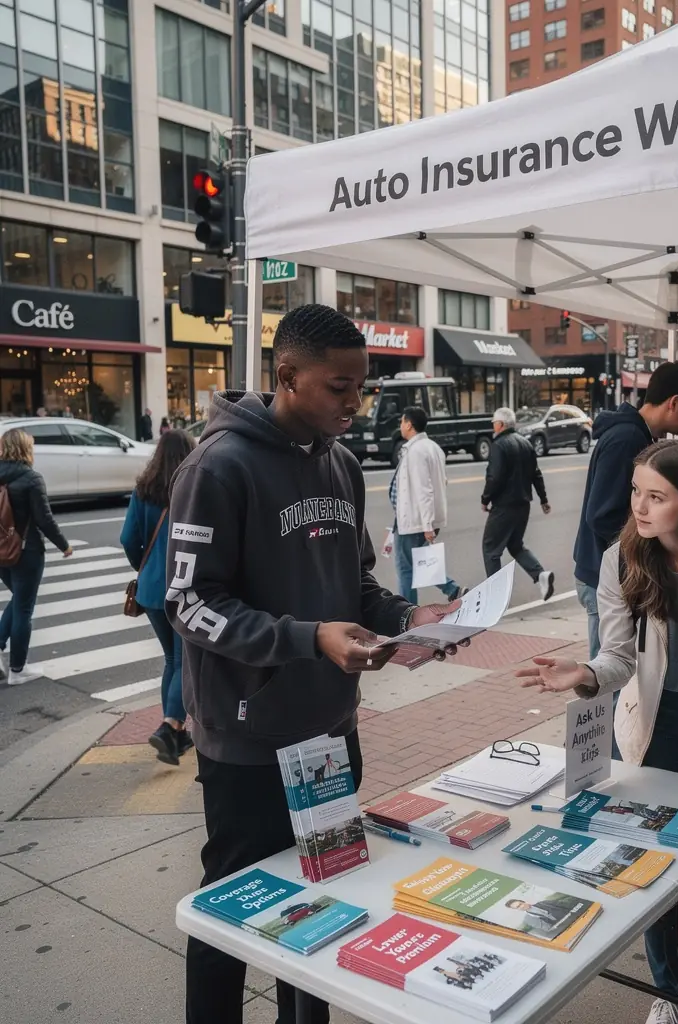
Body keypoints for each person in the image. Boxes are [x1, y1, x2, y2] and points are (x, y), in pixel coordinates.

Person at [168, 303, 461, 1024]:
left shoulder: (341, 463)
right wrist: (309, 638)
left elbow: (355, 579)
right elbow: (189, 603)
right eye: (340, 387)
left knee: (322, 897)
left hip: (330, 732)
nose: (355, 403)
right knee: (233, 910)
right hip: (248, 740)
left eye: (360, 387)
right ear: (287, 375)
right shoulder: (219, 465)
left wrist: (404, 617)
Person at [519, 439, 678, 1024]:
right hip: (650, 723)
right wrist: (583, 673)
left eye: (656, 496)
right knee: (649, 862)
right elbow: (618, 659)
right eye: (636, 491)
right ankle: (669, 989)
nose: (639, 506)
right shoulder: (623, 558)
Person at [574, 361, 678, 660]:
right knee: (615, 672)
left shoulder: (637, 436)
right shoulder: (628, 439)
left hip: (615, 572)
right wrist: (646, 549)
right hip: (606, 574)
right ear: (674, 403)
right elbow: (602, 515)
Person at [121, 429, 196, 765]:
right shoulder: (193, 485)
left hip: (151, 589)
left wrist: (145, 566)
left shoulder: (144, 488)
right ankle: (170, 726)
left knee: (171, 660)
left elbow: (127, 538)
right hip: (187, 584)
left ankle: (177, 734)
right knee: (185, 663)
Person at [0, 429, 73, 684]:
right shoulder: (31, 478)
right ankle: (18, 670)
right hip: (25, 551)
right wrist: (64, 545)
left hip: (0, 550)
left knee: (18, 599)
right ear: (25, 448)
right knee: (23, 607)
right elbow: (44, 519)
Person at [391, 405, 462, 604]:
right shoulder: (433, 448)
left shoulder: (416, 451)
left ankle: (407, 613)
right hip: (420, 519)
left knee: (406, 569)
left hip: (414, 521)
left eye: (402, 422)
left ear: (410, 425)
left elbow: (424, 489)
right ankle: (453, 589)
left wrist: (427, 524)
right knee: (422, 564)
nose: (401, 426)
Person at [480, 407, 554, 599]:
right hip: (523, 505)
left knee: (490, 550)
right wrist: (543, 499)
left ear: (501, 424)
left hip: (504, 506)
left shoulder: (499, 445)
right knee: (515, 545)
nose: (493, 426)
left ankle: (495, 597)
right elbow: (536, 474)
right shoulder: (525, 443)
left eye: (494, 423)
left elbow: (494, 478)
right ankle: (540, 574)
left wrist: (485, 499)